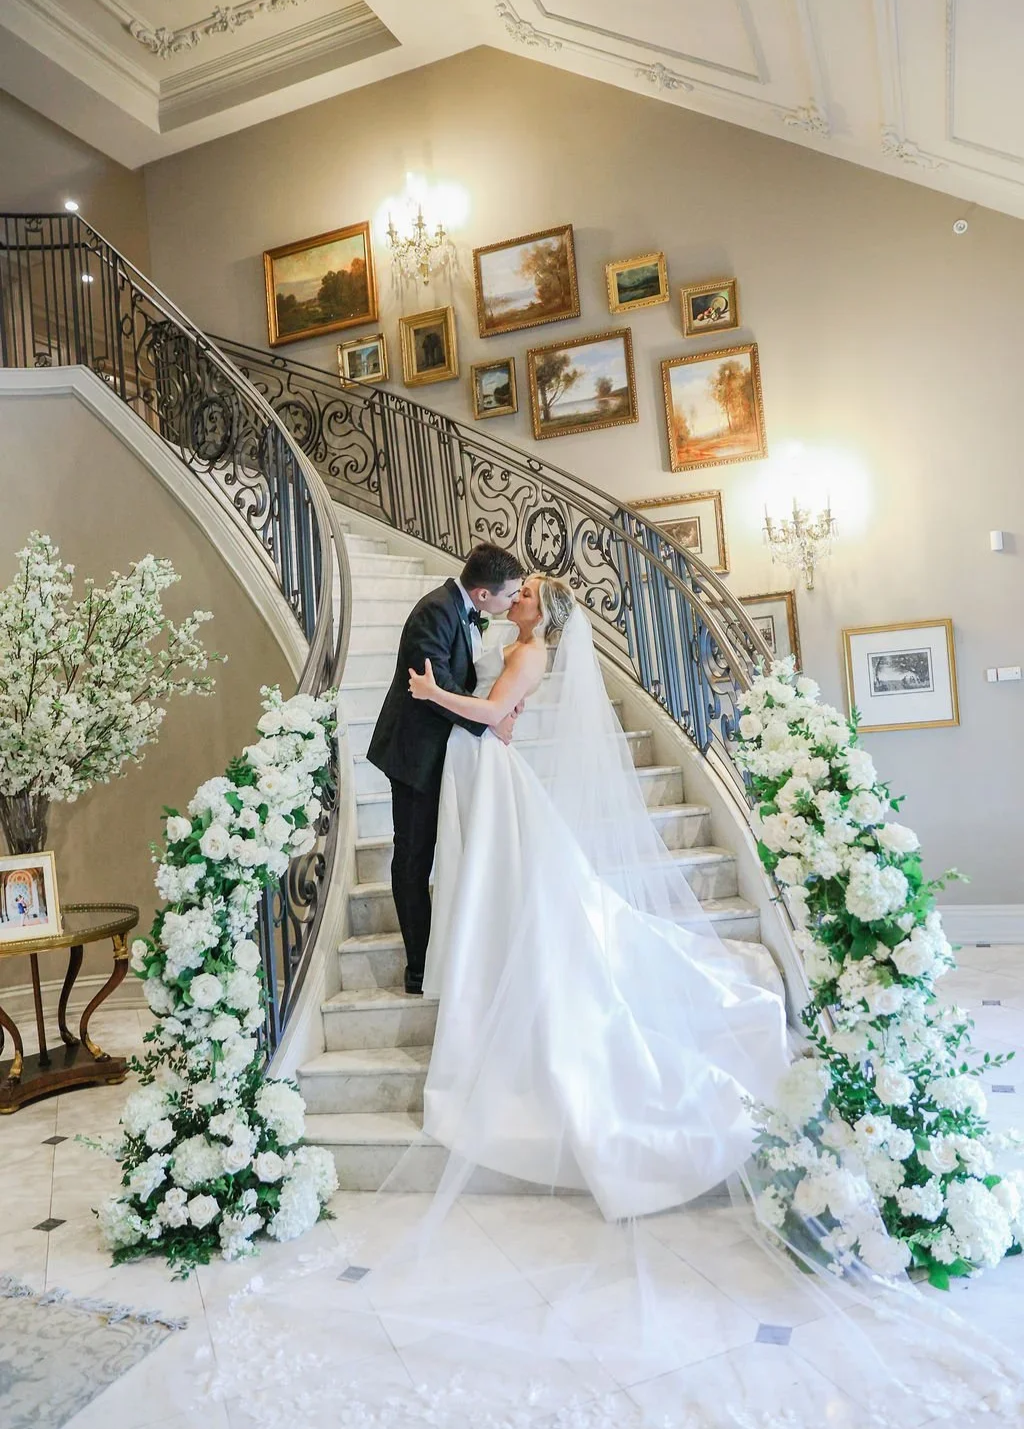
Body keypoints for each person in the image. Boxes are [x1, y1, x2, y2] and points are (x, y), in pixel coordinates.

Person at [407, 572, 790, 1218]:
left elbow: (495, 713)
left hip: (495, 767)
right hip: (490, 767)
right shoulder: (513, 640)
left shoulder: (530, 652)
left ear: (544, 611)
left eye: (525, 592)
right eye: (519, 591)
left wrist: (433, 691)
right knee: (502, 879)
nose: (518, 597)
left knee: (518, 884)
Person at [366, 543, 525, 995]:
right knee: (413, 861)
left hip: (446, 755)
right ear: (481, 595)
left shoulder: (462, 610)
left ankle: (447, 953)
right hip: (415, 757)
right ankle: (418, 967)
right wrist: (490, 720)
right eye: (509, 594)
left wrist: (501, 707)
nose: (513, 601)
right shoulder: (433, 612)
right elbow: (436, 688)